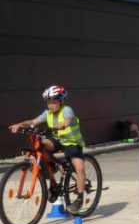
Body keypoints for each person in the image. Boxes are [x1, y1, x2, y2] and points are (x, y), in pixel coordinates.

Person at [8, 85, 86, 213]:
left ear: (61, 102)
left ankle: (79, 199)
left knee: (79, 168)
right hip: (57, 140)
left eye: (54, 102)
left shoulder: (67, 110)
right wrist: (20, 124)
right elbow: (34, 121)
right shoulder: (47, 113)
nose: (51, 105)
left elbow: (67, 121)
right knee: (41, 144)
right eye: (49, 102)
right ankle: (49, 167)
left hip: (72, 142)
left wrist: (62, 125)